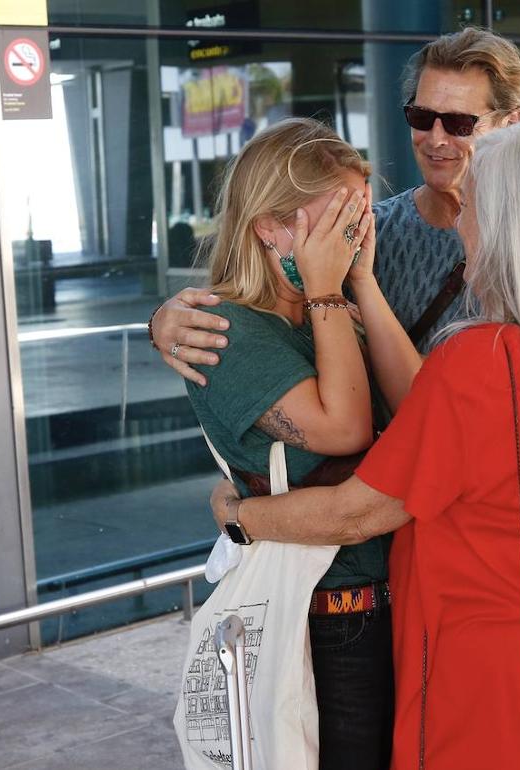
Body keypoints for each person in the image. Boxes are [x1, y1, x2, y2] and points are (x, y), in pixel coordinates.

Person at [212, 119, 520, 770]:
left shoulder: (484, 361)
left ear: (512, 227)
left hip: (482, 667)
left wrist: (237, 516)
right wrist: (360, 281)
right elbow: (433, 404)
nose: (457, 225)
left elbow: (355, 512)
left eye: (471, 205)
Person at [184, 117, 394, 770]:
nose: (353, 236)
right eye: (335, 221)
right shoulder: (225, 329)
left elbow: (419, 410)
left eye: (359, 217)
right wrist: (331, 290)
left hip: (391, 602)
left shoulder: (325, 314)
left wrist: (357, 282)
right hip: (327, 626)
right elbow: (344, 430)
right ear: (269, 227)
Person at [150, 27, 520, 379]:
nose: (434, 139)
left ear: (512, 123)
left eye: (459, 123)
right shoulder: (365, 229)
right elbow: (266, 309)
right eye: (421, 116)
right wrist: (167, 321)